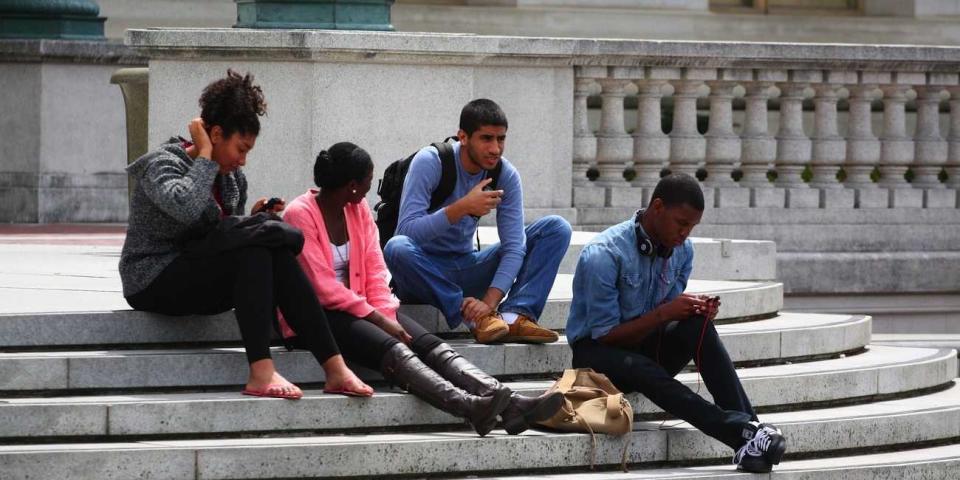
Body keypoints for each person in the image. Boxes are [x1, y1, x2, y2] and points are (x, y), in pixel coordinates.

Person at [281, 141, 563, 436]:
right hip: (318, 316)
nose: (370, 188)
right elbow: (322, 288)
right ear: (352, 185)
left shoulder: (358, 209)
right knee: (394, 346)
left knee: (428, 343)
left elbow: (376, 270)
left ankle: (511, 402)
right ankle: (469, 407)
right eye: (367, 180)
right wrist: (378, 320)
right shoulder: (299, 213)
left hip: (364, 308)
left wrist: (385, 313)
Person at [119, 70, 371, 400]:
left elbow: (218, 233)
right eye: (240, 149)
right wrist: (206, 156)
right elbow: (184, 206)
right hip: (151, 278)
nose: (243, 160)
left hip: (197, 274)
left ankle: (334, 367)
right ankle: (261, 372)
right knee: (254, 249)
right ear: (216, 134)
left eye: (248, 150)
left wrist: (253, 219)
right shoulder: (163, 165)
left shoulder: (232, 179)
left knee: (270, 250)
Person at [565, 173, 787, 473]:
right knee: (644, 368)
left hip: (643, 345)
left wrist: (691, 312)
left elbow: (663, 317)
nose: (685, 233)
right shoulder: (603, 254)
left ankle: (752, 433)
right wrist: (665, 314)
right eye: (681, 223)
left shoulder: (683, 250)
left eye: (692, 226)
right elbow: (606, 336)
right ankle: (743, 431)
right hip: (596, 357)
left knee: (699, 327)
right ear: (657, 207)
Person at [383, 99, 572, 344]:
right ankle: (470, 316)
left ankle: (514, 315)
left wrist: (488, 302)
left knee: (556, 228)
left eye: (501, 139)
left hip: (467, 266)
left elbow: (514, 246)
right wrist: (462, 207)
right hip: (423, 274)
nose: (495, 148)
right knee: (396, 247)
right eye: (486, 139)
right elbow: (407, 232)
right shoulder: (431, 161)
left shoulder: (505, 174)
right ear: (463, 137)